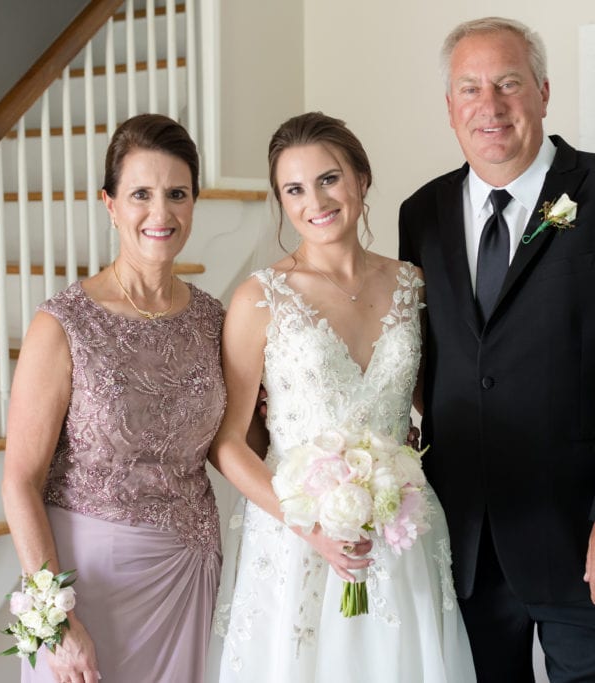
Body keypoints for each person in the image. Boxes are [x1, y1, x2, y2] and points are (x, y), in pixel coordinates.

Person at [398, 17, 595, 683]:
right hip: (463, 548)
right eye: (469, 88)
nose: (489, 105)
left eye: (508, 83)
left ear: (544, 92)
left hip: (587, 541)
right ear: (449, 108)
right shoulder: (422, 214)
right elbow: (421, 358)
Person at [206, 112, 476, 682]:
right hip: (296, 539)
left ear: (361, 178)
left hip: (399, 532)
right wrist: (309, 527)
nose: (316, 201)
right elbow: (228, 443)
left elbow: (438, 404)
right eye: (294, 189)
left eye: (329, 179)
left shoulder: (412, 284)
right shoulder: (260, 297)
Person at [2, 114, 226, 683]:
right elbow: (19, 481)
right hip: (89, 583)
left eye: (177, 194)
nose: (161, 213)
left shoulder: (212, 320)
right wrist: (54, 619)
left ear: (194, 201)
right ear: (109, 203)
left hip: (183, 574)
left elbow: (235, 442)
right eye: (141, 195)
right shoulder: (64, 324)